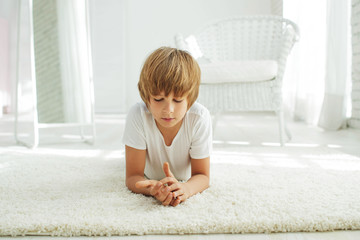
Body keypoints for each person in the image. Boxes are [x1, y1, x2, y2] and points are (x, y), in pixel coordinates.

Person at [122, 47, 212, 207]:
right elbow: (132, 177)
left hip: (184, 178)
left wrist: (186, 188)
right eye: (158, 99)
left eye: (177, 101)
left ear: (190, 100)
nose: (168, 109)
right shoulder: (138, 114)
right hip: (149, 176)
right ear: (146, 96)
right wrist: (152, 190)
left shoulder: (199, 118)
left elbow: (202, 176)